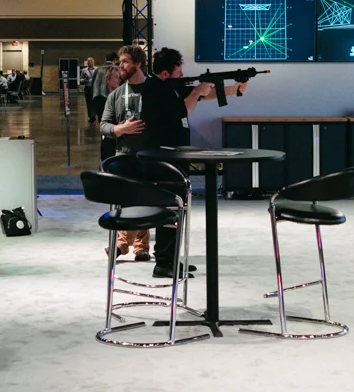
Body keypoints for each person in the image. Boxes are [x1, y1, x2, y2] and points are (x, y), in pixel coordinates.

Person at [132, 46, 248, 279]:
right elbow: (183, 110)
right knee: (170, 209)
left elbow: (204, 94)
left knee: (177, 209)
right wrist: (196, 91)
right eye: (178, 71)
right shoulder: (154, 88)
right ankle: (164, 262)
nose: (182, 74)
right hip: (164, 159)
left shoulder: (169, 86)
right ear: (165, 73)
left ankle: (171, 258)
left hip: (174, 157)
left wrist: (233, 89)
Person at [99, 45, 153, 260]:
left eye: (124, 62)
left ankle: (123, 244)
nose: (119, 65)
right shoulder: (116, 95)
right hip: (124, 155)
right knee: (131, 200)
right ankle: (140, 247)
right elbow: (104, 125)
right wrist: (121, 129)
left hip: (151, 156)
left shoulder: (154, 91)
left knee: (143, 199)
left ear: (137, 64)